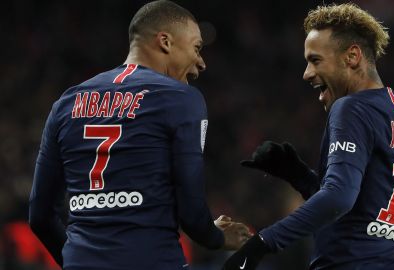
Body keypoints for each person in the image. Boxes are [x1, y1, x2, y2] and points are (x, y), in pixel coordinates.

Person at [28, 1, 251, 270]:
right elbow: (192, 214)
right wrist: (217, 237)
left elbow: (40, 216)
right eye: (196, 48)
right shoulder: (181, 99)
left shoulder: (65, 104)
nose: (201, 62)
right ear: (165, 42)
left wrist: (77, 262)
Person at [223, 3, 394, 270]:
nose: (307, 73)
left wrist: (262, 243)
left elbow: (339, 198)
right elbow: (365, 210)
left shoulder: (352, 107)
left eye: (315, 60)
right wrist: (300, 177)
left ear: (352, 56)